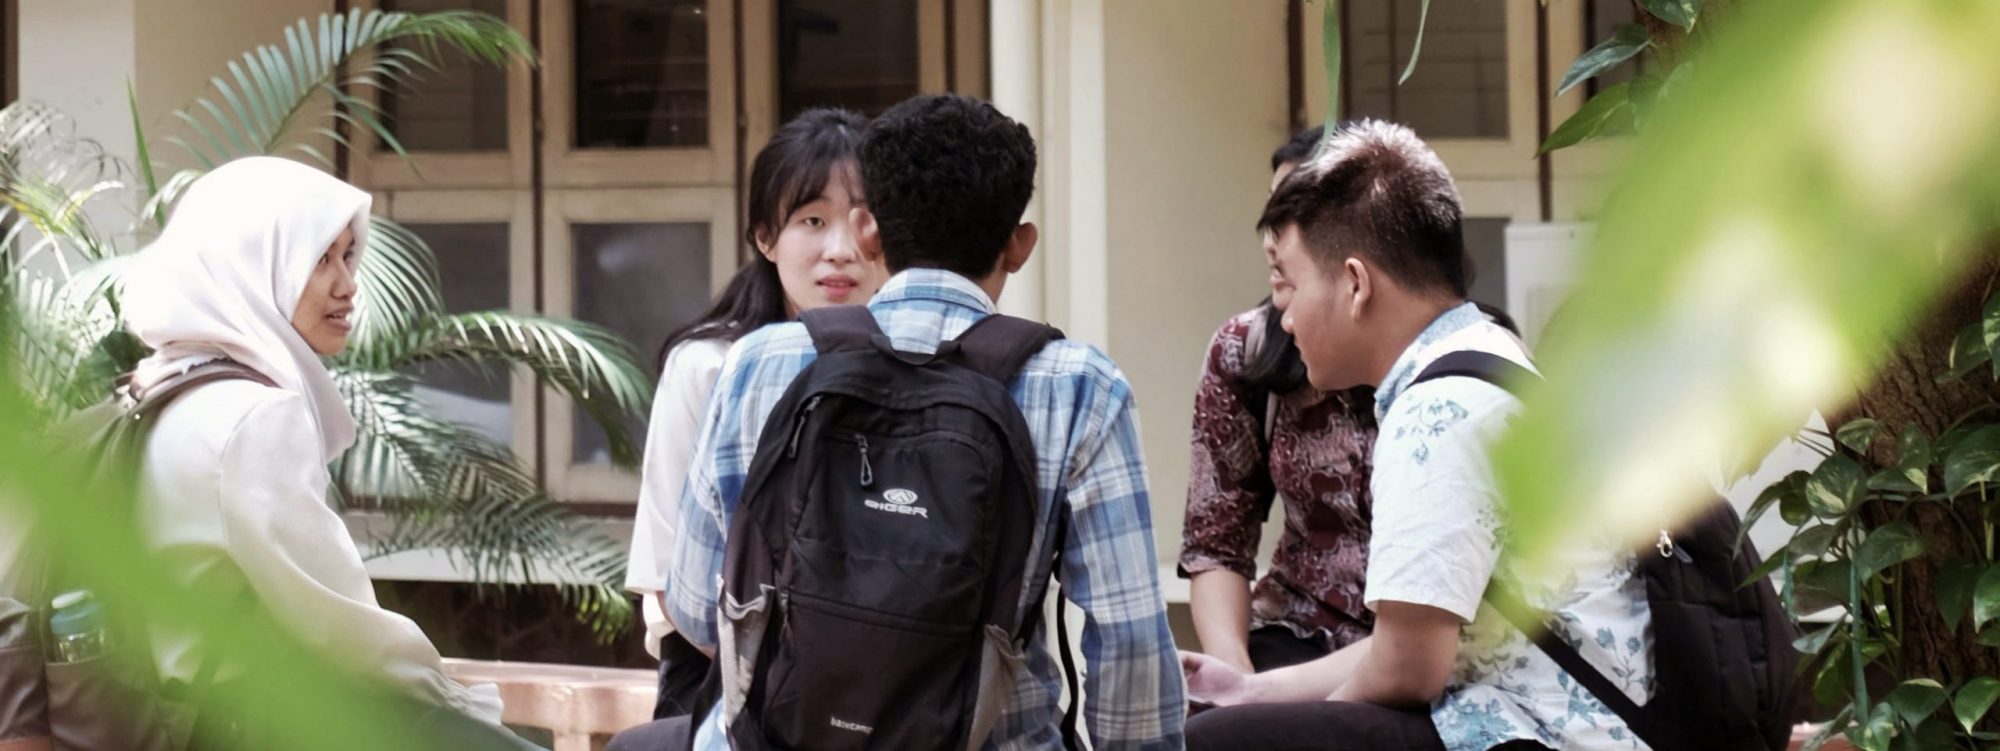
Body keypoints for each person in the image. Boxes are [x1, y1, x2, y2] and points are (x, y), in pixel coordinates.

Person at [624, 93, 1186, 751]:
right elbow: (1128, 642)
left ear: (868, 231)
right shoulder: (1079, 385)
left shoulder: (759, 363)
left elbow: (696, 607)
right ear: (1020, 244)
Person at [1181, 121, 1652, 750]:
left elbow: (1407, 668)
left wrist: (1286, 731)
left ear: (1355, 284)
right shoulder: (1487, 354)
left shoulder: (1437, 410)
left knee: (1214, 745)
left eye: (1292, 284)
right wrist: (1250, 693)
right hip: (1559, 717)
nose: (1284, 317)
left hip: (1540, 732)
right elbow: (1412, 643)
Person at [118, 157, 525, 744]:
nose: (347, 284)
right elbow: (343, 628)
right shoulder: (253, 417)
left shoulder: (153, 392)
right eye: (318, 260)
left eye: (346, 255)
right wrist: (465, 711)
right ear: (253, 265)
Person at [622, 107, 884, 720]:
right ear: (766, 237)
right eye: (812, 220)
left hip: (882, 693)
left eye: (864, 219)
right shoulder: (707, 366)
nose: (840, 250)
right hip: (721, 683)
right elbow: (669, 575)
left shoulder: (920, 370)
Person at [1180, 125, 1380, 674]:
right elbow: (1216, 543)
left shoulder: (1453, 358)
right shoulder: (1244, 350)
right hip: (1296, 632)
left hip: (1427, 650)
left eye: (1293, 217)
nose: (1272, 240)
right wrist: (1235, 681)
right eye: (1271, 214)